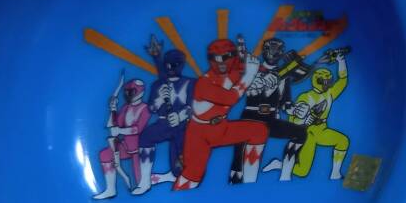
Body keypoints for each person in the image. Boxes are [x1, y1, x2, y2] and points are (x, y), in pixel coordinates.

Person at [172, 38, 268, 191]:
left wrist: (258, 71)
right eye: (215, 58)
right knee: (192, 176)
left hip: (221, 128)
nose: (221, 62)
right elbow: (230, 98)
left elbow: (259, 69)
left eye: (225, 57)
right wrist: (250, 75)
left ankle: (250, 183)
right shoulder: (204, 83)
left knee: (259, 130)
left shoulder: (233, 70)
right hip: (199, 134)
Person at [231, 37, 310, 183]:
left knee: (300, 133)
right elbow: (238, 86)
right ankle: (236, 177)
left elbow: (286, 103)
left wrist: (296, 110)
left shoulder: (284, 77)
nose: (273, 53)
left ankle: (285, 175)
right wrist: (253, 81)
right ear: (264, 51)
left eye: (277, 50)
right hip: (250, 117)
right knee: (239, 165)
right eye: (270, 49)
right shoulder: (253, 69)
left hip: (270, 120)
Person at [133, 38, 194, 194]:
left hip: (184, 126)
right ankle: (144, 181)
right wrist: (159, 99)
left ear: (181, 65)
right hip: (163, 124)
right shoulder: (158, 85)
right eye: (167, 65)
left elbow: (195, 106)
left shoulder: (190, 83)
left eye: (174, 65)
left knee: (179, 162)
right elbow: (151, 108)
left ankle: (175, 175)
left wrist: (181, 116)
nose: (170, 68)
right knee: (145, 137)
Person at [289, 51, 350, 180]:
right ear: (318, 81)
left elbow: (343, 80)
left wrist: (341, 61)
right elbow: (292, 120)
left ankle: (335, 173)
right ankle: (280, 164)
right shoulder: (305, 97)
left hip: (322, 130)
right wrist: (304, 120)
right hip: (307, 134)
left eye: (330, 81)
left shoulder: (329, 93)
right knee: (302, 172)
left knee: (343, 141)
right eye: (326, 81)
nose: (329, 84)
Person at [93, 79, 150, 199]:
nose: (129, 95)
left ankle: (159, 178)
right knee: (105, 155)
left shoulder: (145, 108)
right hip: (125, 145)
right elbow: (114, 124)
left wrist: (120, 131)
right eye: (127, 92)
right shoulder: (125, 108)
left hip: (140, 148)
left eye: (131, 91)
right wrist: (113, 109)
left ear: (140, 92)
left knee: (140, 182)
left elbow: (138, 129)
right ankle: (110, 189)